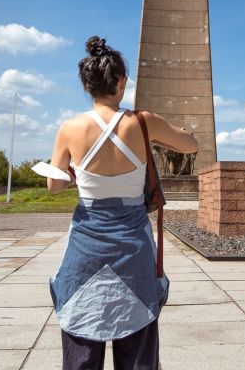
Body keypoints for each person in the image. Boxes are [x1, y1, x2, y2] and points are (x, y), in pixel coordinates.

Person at [47, 36, 197, 370]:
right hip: (133, 245)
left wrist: (73, 173)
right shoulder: (144, 122)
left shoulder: (70, 128)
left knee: (81, 337)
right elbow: (189, 145)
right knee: (138, 345)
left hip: (86, 243)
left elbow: (54, 185)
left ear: (87, 85)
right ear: (122, 82)